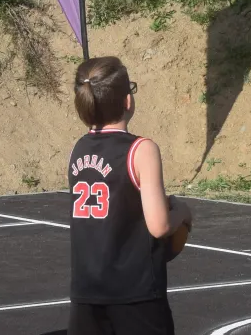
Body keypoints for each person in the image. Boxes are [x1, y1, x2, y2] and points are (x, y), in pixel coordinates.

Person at [68, 57, 192, 335]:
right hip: (134, 292)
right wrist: (182, 211)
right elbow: (159, 226)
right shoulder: (141, 149)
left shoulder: (78, 149)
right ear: (127, 101)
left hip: (86, 290)